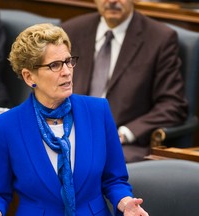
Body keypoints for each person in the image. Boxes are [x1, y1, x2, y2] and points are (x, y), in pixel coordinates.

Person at [0, 23, 149, 216]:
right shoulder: (6, 126)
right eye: (55, 65)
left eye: (69, 61)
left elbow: (114, 180)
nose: (67, 71)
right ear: (29, 77)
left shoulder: (98, 111)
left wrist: (125, 202)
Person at [61, 0, 188, 162]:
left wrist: (126, 132)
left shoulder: (160, 39)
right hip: (69, 133)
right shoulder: (72, 30)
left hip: (122, 144)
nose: (112, 1)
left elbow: (173, 104)